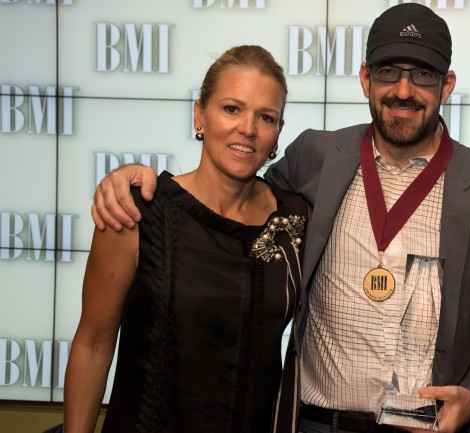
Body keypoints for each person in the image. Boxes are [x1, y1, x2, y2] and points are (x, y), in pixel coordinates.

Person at [90, 4, 470, 433]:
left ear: (446, 85)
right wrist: (142, 182)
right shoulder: (314, 156)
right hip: (315, 422)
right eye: (389, 72)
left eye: (423, 75)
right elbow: (232, 196)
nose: (404, 90)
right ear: (365, 79)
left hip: (429, 427)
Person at [64, 45, 308, 433]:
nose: (248, 128)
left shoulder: (296, 221)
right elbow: (92, 344)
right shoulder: (136, 211)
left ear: (277, 133)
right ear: (200, 115)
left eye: (266, 116)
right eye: (232, 108)